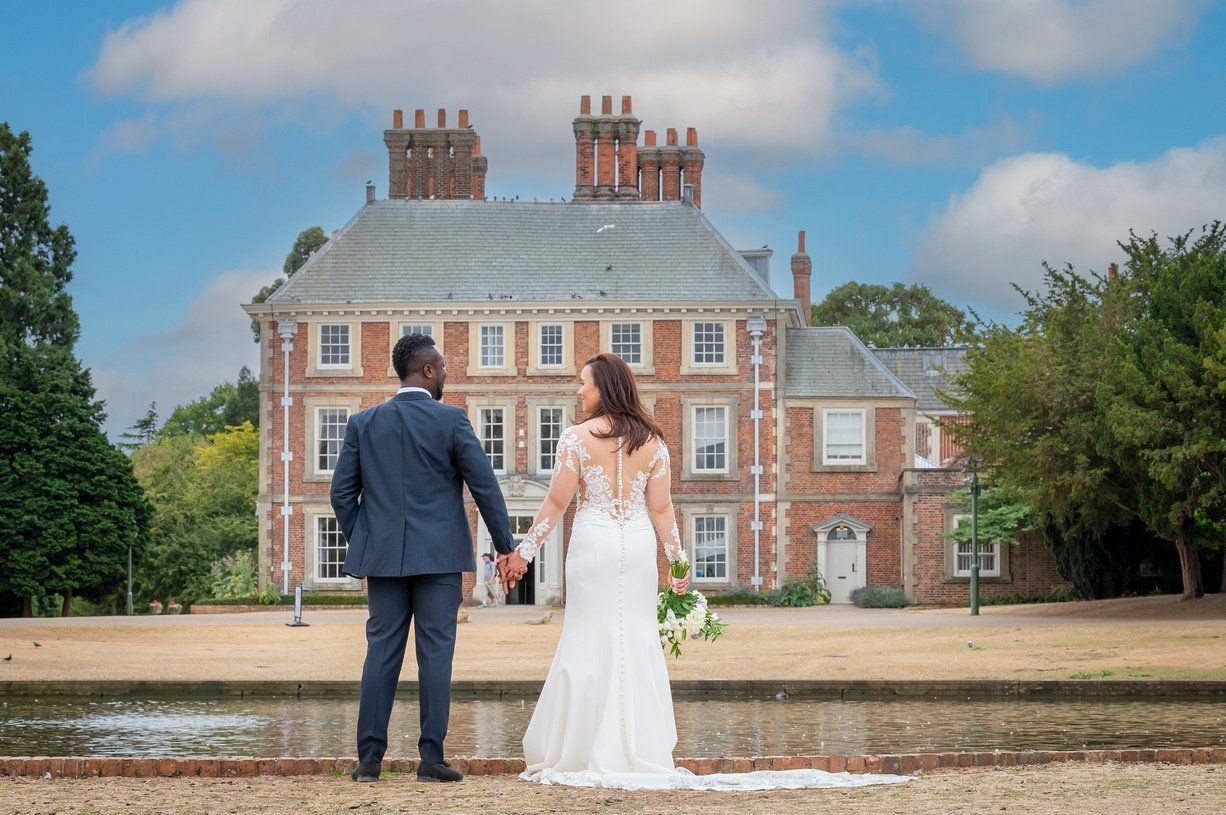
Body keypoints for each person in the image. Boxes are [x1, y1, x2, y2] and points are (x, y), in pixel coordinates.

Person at [503, 354, 912, 791]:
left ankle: (580, 748)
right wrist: (678, 564)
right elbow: (661, 509)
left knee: (587, 636)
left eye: (583, 383)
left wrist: (523, 554)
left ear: (604, 387)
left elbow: (556, 504)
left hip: (593, 545)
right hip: (637, 546)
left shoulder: (574, 439)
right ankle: (638, 746)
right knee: (634, 638)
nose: (578, 391)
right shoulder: (654, 443)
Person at [330, 333, 520, 784]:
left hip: (384, 563)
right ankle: (431, 759)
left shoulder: (364, 423)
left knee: (381, 654)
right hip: (439, 561)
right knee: (436, 655)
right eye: (444, 368)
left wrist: (369, 539)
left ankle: (368, 762)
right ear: (428, 370)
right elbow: (485, 487)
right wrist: (507, 546)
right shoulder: (452, 420)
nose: (447, 377)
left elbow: (341, 495)